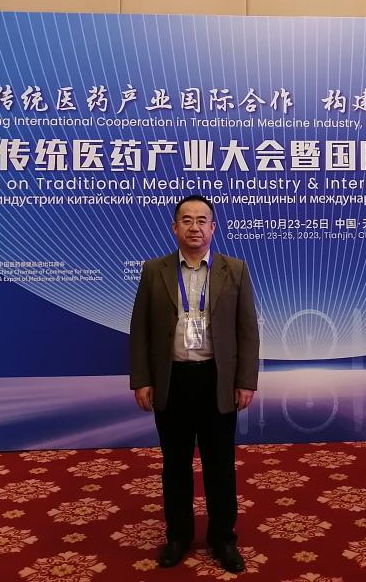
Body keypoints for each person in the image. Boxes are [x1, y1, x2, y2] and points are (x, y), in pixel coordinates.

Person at [129, 195, 260, 573]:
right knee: (175, 464)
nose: (194, 227)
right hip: (172, 379)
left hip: (217, 380)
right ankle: (179, 535)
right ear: (175, 228)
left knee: (220, 465)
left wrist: (245, 381)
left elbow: (247, 331)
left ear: (213, 228)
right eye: (186, 220)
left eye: (202, 220)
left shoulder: (235, 270)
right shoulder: (153, 270)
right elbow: (140, 330)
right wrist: (142, 379)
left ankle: (223, 538)